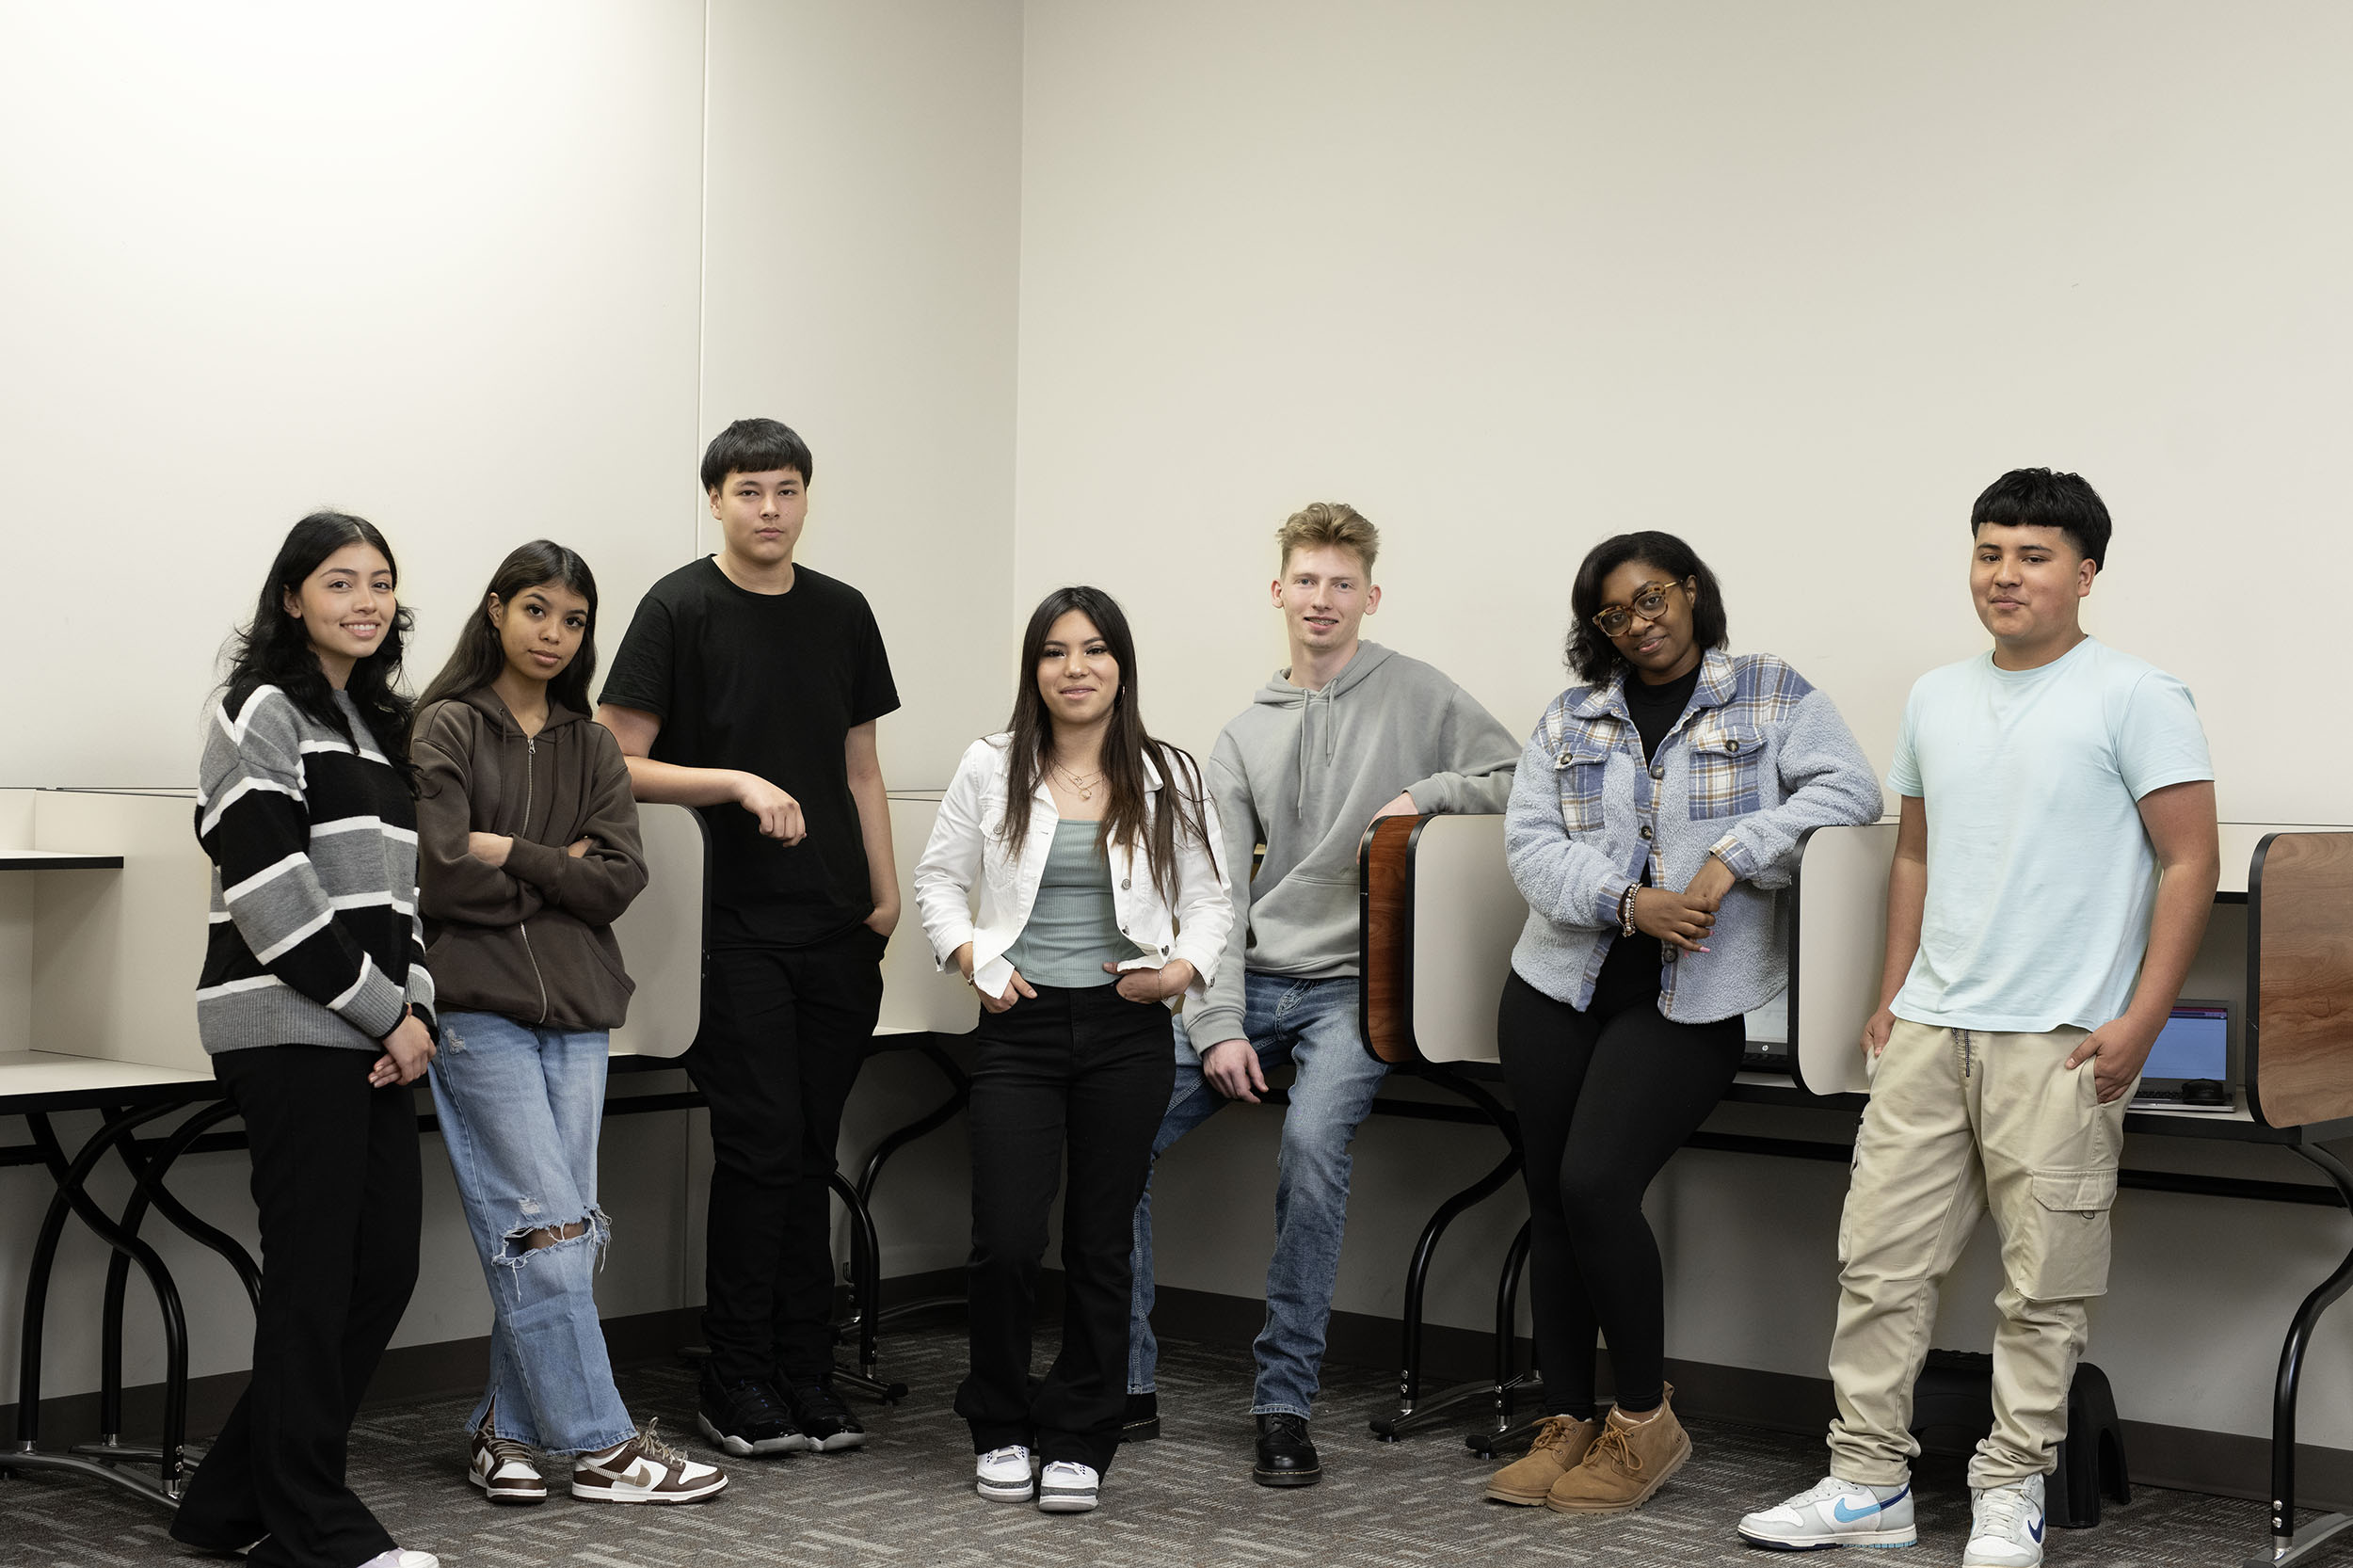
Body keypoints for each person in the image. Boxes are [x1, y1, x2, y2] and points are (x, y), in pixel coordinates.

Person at [1738, 470, 2217, 1566]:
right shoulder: (1935, 697)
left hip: (2060, 1038)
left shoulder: (2137, 694)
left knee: (2044, 1283)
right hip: (1930, 1029)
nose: (2005, 574)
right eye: (1989, 552)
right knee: (1877, 1265)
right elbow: (1913, 853)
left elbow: (2189, 861)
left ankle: (2011, 1488)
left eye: (2033, 555)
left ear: (2084, 573)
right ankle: (1867, 1482)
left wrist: (2143, 1019)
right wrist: (1890, 992)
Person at [1486, 531, 1881, 1515]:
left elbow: (1849, 789)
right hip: (1555, 984)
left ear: (1692, 591)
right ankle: (1565, 1417)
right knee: (1550, 1198)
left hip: (1690, 995)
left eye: (1652, 598)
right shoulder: (1572, 714)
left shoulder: (1768, 692)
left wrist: (1733, 854)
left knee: (1595, 1183)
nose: (1638, 624)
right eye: (1613, 614)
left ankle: (1640, 1422)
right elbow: (1528, 845)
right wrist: (1628, 902)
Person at [1127, 502, 1521, 1487]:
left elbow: (1521, 778)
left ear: (1369, 598)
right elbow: (1216, 897)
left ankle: (1283, 1403)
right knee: (1112, 1131)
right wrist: (1217, 1025)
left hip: (1358, 990)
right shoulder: (1240, 735)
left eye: (1342, 584)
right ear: (1278, 591)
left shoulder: (1420, 694)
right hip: (1253, 977)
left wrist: (1428, 795)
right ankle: (1123, 1378)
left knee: (1310, 1147)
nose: (1322, 598)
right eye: (1306, 580)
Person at [597, 418, 901, 1458]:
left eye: (786, 490)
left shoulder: (843, 612)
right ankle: (735, 1379)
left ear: (806, 497)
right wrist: (733, 781)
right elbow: (614, 761)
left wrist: (883, 896)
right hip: (730, 930)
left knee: (811, 1154)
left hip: (837, 926)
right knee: (760, 1150)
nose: (769, 509)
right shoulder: (678, 607)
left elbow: (861, 766)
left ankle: (805, 1372)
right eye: (748, 491)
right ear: (715, 501)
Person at [412, 541, 727, 1505]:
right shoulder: (445, 725)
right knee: (545, 1231)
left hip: (579, 1012)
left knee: (562, 1234)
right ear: (496, 610)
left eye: (574, 619)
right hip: (477, 1011)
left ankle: (503, 1431)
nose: (554, 633)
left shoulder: (591, 743)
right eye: (536, 610)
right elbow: (441, 872)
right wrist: (558, 868)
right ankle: (603, 1447)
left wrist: (512, 854)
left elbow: (619, 879)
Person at [915, 585, 1231, 1514]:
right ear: (1034, 669)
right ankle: (1000, 1425)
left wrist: (1178, 974)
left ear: (1121, 667)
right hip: (1018, 1026)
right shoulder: (991, 765)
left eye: (1094, 649)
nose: (1075, 667)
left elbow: (1210, 900)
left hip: (1125, 1030)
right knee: (1007, 1241)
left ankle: (1081, 1436)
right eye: (1055, 651)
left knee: (1100, 1243)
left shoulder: (1169, 773)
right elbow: (939, 883)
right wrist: (973, 959)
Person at [172, 513, 442, 1568]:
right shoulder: (258, 711)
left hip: (370, 1029)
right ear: (292, 598)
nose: (365, 601)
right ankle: (314, 1532)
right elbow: (271, 894)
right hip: (286, 1025)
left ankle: (224, 1505)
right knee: (315, 1277)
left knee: (382, 1269)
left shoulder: (374, 726)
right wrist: (388, 1016)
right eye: (339, 582)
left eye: (380, 582)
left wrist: (416, 1013)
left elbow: (403, 900)